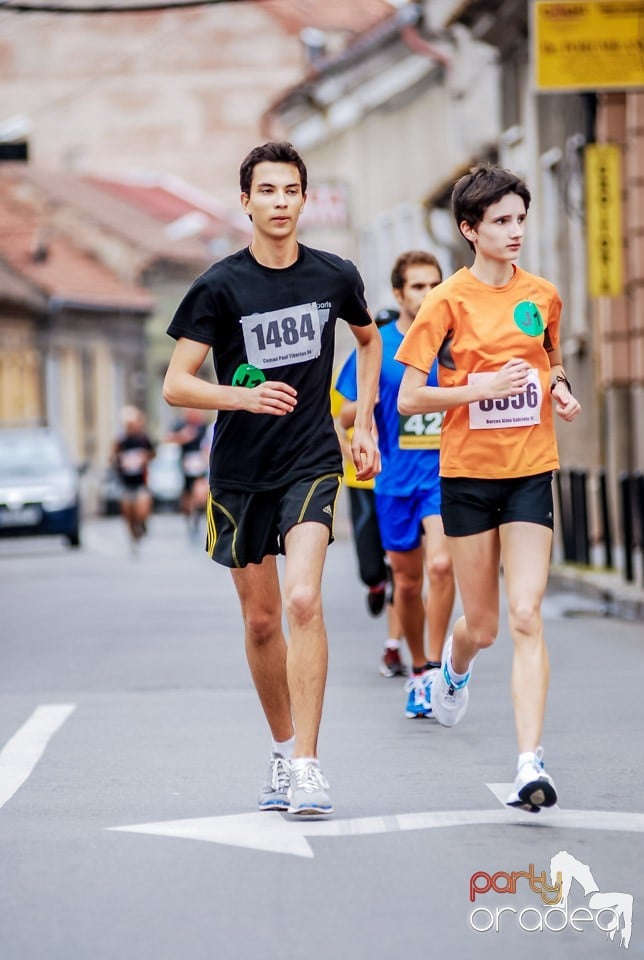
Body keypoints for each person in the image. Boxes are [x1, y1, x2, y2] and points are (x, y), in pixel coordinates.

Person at [163, 141, 381, 817]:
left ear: (303, 199)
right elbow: (176, 384)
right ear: (247, 201)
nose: (281, 202)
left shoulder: (334, 276)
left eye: (292, 190)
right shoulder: (220, 286)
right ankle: (283, 749)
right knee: (262, 622)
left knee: (304, 600)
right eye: (269, 191)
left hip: (311, 459)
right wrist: (243, 397)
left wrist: (364, 423)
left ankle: (309, 765)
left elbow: (370, 341)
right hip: (239, 472)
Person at [396, 164, 581, 811]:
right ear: (470, 229)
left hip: (531, 467)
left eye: (521, 219)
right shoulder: (445, 301)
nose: (515, 232)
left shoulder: (545, 296)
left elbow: (550, 357)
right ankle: (455, 665)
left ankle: (530, 762)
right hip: (468, 475)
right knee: (484, 626)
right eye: (501, 221)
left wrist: (557, 387)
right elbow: (410, 393)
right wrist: (478, 388)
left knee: (527, 614)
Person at [336, 251, 455, 713]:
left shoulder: (454, 344)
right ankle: (420, 667)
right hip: (394, 482)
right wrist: (367, 417)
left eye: (433, 285)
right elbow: (346, 409)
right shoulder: (379, 345)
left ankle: (442, 672)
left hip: (442, 477)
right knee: (405, 584)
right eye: (418, 287)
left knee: (442, 566)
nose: (427, 294)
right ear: (400, 293)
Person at [331, 366, 405, 678]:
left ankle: (394, 645)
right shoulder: (354, 371)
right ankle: (376, 583)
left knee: (403, 569)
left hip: (401, 483)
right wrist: (348, 451)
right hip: (363, 483)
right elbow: (334, 419)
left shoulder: (410, 372)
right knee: (372, 568)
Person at [112, 405, 155, 550]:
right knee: (128, 513)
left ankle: (142, 523)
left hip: (140, 482)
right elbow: (112, 458)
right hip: (125, 483)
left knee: (142, 509)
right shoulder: (120, 441)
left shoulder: (143, 439)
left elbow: (153, 453)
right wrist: (119, 461)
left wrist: (145, 458)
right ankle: (133, 535)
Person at [165, 408, 210, 537]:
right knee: (187, 497)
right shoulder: (181, 424)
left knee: (200, 494)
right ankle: (190, 519)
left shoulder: (204, 427)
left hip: (201, 466)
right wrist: (183, 437)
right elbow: (168, 438)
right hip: (186, 466)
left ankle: (198, 518)